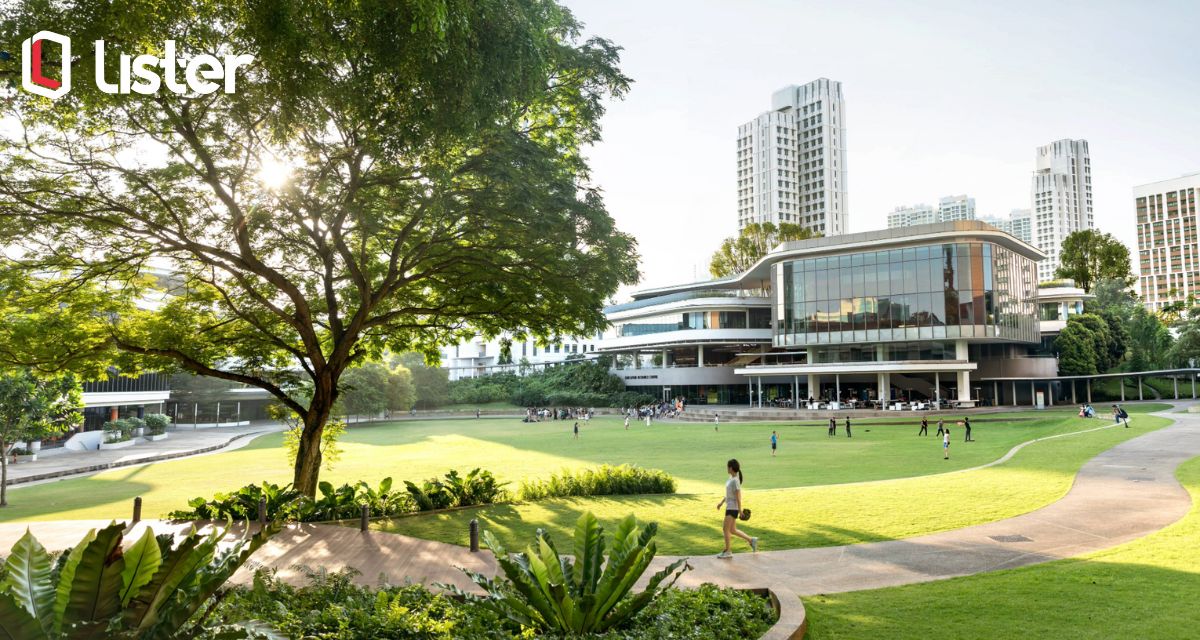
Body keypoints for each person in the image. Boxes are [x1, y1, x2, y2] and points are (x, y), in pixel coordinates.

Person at [716, 459, 758, 558]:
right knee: (732, 530)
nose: (727, 468)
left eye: (727, 467)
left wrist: (740, 510)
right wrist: (721, 503)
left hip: (732, 508)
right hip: (730, 506)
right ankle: (751, 540)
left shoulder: (735, 481)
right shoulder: (731, 478)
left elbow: (738, 497)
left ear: (731, 468)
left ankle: (728, 551)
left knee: (725, 529)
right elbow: (729, 494)